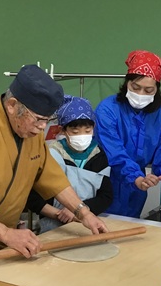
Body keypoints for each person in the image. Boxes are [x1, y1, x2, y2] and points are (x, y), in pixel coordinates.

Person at [0, 65, 108, 269]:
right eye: (39, 119)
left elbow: (51, 178)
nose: (42, 127)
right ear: (12, 105)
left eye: (48, 120)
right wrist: (6, 233)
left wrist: (84, 213)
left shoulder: (31, 132)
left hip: (6, 237)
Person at [94, 50, 161, 218]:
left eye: (148, 90)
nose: (140, 95)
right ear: (127, 83)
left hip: (136, 192)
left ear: (156, 90)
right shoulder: (107, 110)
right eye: (135, 87)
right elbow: (114, 154)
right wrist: (135, 178)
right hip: (105, 184)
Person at [27, 95, 112, 233]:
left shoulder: (98, 155)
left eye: (87, 131)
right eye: (75, 131)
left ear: (94, 128)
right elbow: (32, 197)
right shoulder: (50, 154)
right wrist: (58, 214)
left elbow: (106, 196)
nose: (82, 136)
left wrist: (81, 210)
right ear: (62, 130)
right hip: (53, 222)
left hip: (90, 220)